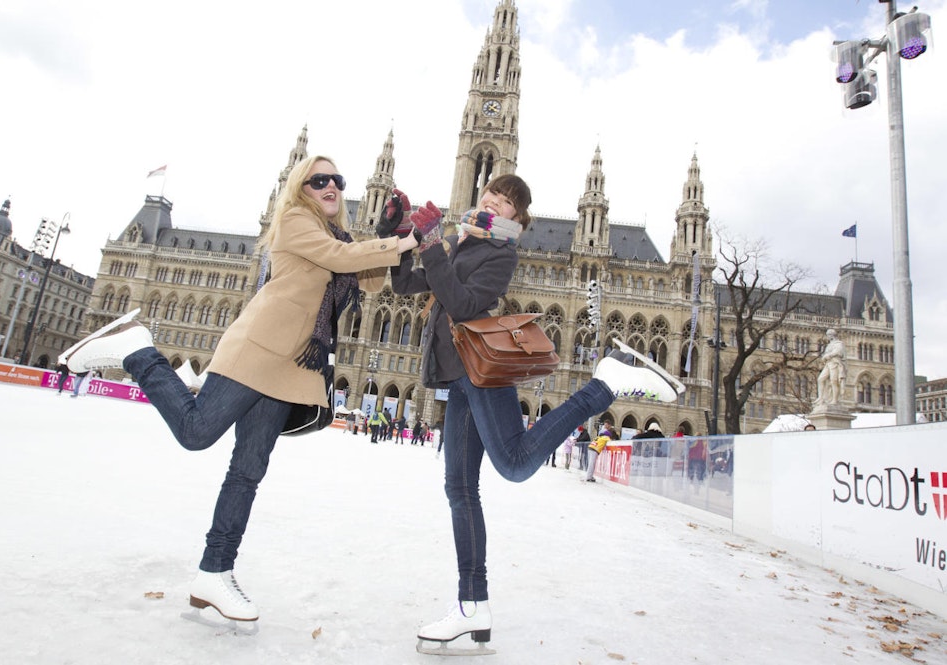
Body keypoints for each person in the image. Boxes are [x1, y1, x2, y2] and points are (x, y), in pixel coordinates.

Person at [59, 155, 418, 625]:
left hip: (292, 367)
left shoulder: (341, 237)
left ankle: (215, 570)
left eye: (338, 180)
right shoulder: (294, 222)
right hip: (259, 349)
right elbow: (339, 261)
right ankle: (139, 351)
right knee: (196, 431)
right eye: (320, 179)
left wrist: (388, 229)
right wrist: (400, 242)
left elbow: (367, 281)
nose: (331, 185)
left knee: (247, 472)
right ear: (301, 187)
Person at [386, 175, 685, 651]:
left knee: (516, 462)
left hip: (479, 369)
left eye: (503, 201)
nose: (491, 201)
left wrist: (432, 248)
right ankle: (473, 604)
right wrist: (399, 232)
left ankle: (604, 383)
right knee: (460, 488)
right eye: (489, 194)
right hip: (454, 374)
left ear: (515, 218)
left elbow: (463, 305)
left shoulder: (501, 253)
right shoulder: (461, 241)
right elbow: (405, 284)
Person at [815, 329, 847, 406]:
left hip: (835, 363)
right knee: (820, 379)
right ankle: (821, 398)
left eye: (828, 335)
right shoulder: (829, 345)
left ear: (832, 335)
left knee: (834, 381)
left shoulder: (839, 343)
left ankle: (835, 400)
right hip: (828, 364)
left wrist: (828, 355)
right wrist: (824, 357)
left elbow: (838, 352)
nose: (827, 337)